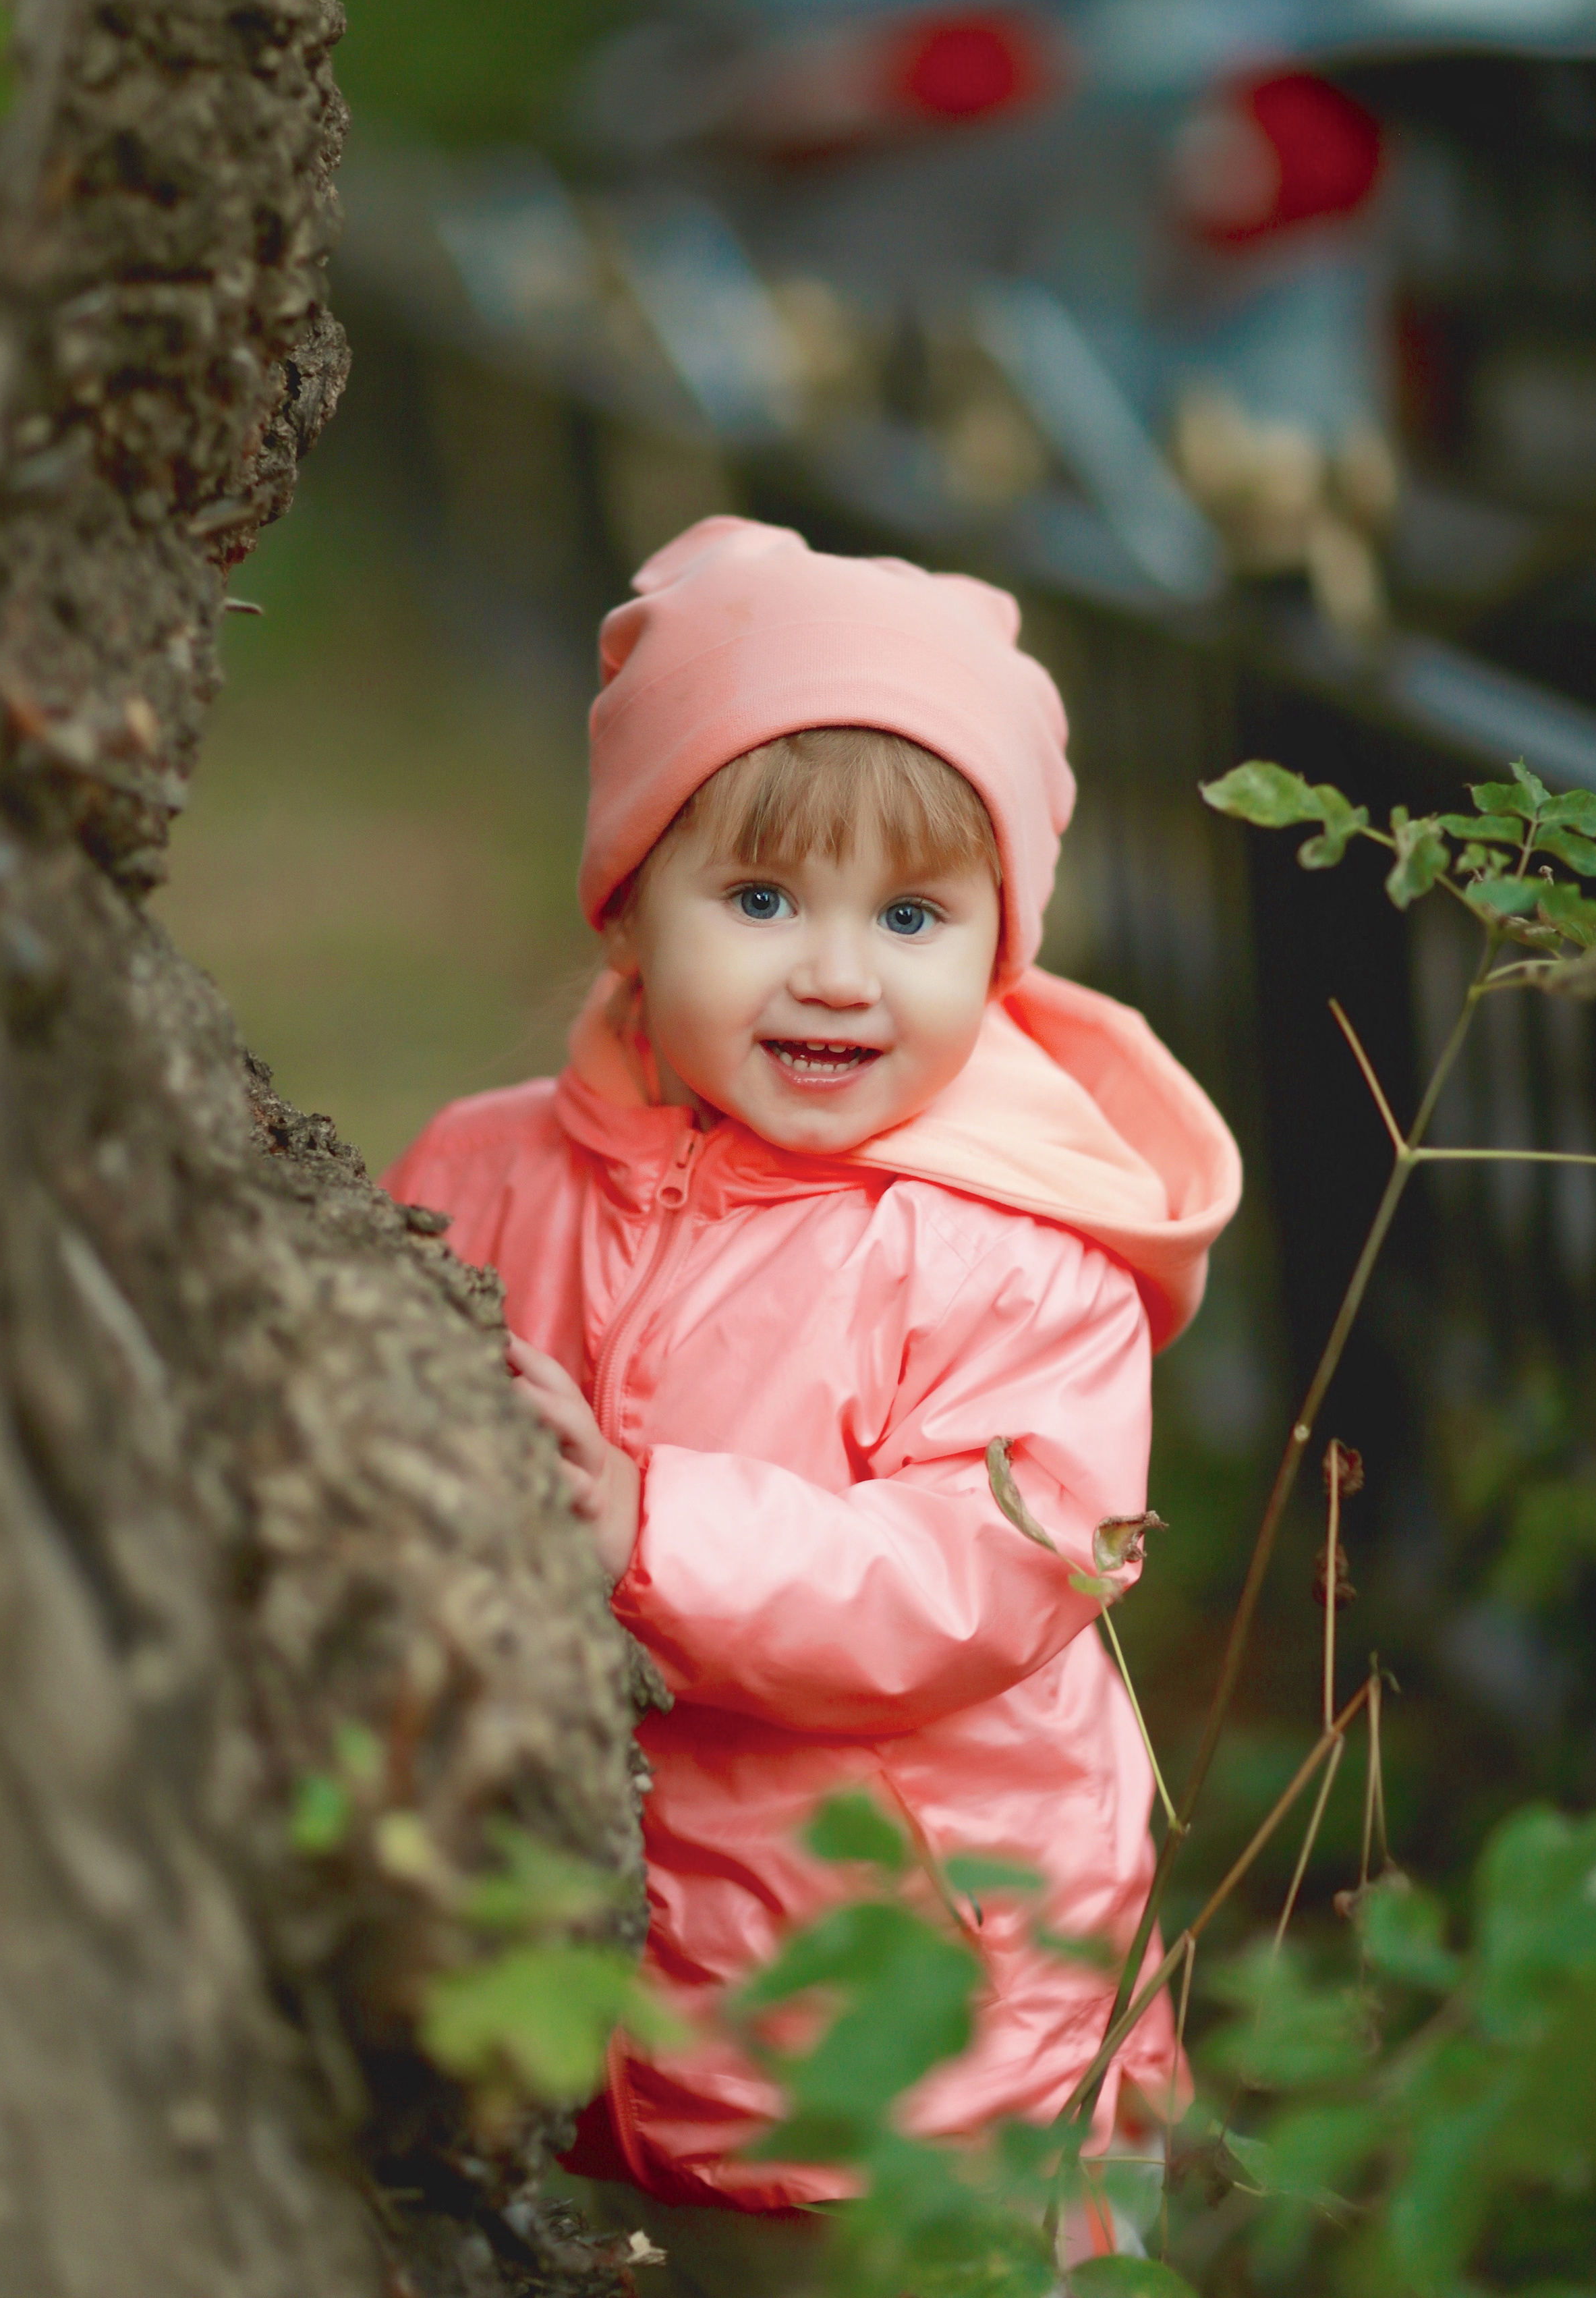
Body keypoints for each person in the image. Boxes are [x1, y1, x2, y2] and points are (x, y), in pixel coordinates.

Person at [384, 515, 1241, 2229]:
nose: (836, 973)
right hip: (609, 2047)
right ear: (630, 912)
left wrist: (655, 1530)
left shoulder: (1011, 1251)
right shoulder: (482, 1182)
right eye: (761, 898)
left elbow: (989, 1567)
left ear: (998, 946)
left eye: (911, 913)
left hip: (933, 2077)